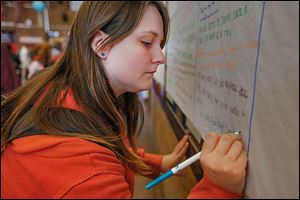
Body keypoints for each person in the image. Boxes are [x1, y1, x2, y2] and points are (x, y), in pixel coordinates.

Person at [1, 2, 247, 198]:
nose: (161, 57)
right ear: (101, 45)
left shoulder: (67, 92)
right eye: (147, 43)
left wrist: (157, 162)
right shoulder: (86, 172)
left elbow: (109, 144)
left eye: (160, 45)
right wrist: (219, 188)